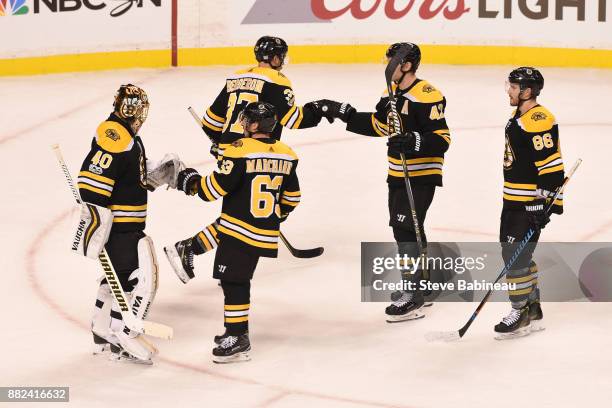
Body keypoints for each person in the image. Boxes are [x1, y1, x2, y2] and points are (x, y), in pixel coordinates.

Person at [308, 43, 451, 322]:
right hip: (398, 173)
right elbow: (380, 126)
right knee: (408, 229)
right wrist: (345, 114)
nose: (386, 66)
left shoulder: (427, 95)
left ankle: (414, 293)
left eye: (391, 62)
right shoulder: (392, 94)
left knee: (405, 229)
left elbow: (442, 140)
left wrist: (414, 140)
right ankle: (421, 285)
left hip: (420, 174)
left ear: (406, 65)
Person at [165, 36, 321, 283]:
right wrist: (321, 111)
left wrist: (223, 144)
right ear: (276, 57)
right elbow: (293, 120)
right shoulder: (278, 80)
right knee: (252, 214)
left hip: (232, 150)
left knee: (240, 214)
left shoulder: (236, 77)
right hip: (254, 151)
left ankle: (224, 262)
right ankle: (192, 248)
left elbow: (211, 122)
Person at [168, 102, 301, 363]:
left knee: (234, 282)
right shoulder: (288, 153)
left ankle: (238, 336)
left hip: (241, 231)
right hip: (261, 229)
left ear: (253, 125)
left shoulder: (239, 150)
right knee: (234, 269)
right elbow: (293, 198)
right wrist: (276, 215)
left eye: (246, 121)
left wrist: (191, 181)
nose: (242, 125)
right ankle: (188, 247)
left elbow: (213, 190)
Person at [74, 84, 182, 363]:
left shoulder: (125, 136)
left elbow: (130, 171)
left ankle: (102, 331)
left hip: (124, 226)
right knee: (139, 280)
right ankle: (122, 333)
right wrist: (96, 222)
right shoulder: (115, 136)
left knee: (117, 279)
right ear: (131, 109)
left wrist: (159, 172)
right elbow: (91, 183)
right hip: (120, 227)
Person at [495, 67, 564, 339]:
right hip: (512, 198)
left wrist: (541, 204)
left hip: (528, 202)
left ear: (527, 91)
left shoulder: (538, 119)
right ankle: (532, 307)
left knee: (515, 258)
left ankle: (519, 312)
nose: (508, 91)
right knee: (516, 255)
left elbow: (552, 167)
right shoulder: (520, 115)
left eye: (513, 87)